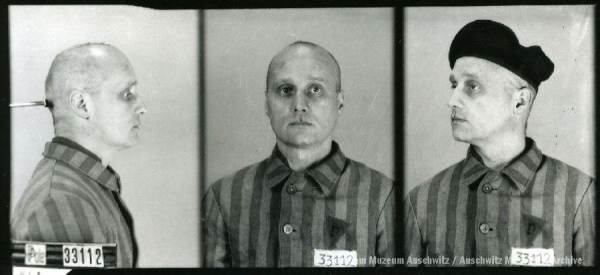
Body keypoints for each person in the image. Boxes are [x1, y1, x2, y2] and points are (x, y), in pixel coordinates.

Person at [404, 20, 596, 266]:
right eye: (454, 85)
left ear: (520, 102)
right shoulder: (422, 200)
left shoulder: (580, 195)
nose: (452, 100)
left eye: (472, 86)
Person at [202, 41, 396, 267]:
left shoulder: (383, 196)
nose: (299, 105)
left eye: (315, 89)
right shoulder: (224, 196)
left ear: (340, 102)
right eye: (285, 90)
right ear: (267, 103)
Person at [11, 43, 147, 268]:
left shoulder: (86, 186)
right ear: (82, 104)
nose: (142, 106)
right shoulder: (60, 201)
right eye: (127, 94)